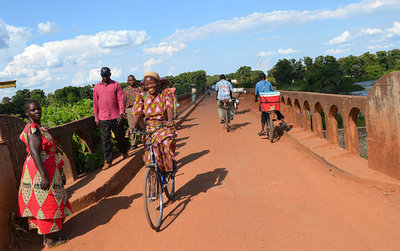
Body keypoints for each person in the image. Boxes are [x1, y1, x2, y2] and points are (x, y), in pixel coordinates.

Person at [18, 100, 72, 249]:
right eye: (32, 110)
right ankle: (50, 241)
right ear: (27, 113)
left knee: (45, 202)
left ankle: (48, 238)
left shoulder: (38, 127)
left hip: (44, 168)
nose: (36, 111)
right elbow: (35, 152)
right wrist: (44, 176)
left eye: (38, 108)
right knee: (47, 202)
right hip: (39, 170)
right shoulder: (32, 129)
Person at [128, 71, 177, 176]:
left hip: (163, 125)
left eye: (152, 83)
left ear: (157, 83)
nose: (149, 86)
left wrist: (170, 121)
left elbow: (169, 107)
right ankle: (153, 178)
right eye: (147, 84)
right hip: (149, 127)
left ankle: (169, 169)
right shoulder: (141, 96)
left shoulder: (165, 93)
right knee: (150, 154)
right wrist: (132, 127)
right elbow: (137, 113)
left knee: (166, 144)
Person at [93, 67, 128, 170]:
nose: (104, 77)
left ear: (110, 75)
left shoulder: (116, 84)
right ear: (101, 75)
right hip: (103, 117)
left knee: (119, 136)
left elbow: (120, 99)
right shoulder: (96, 87)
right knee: (106, 139)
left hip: (115, 115)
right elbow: (95, 104)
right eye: (103, 76)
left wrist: (121, 113)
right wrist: (96, 118)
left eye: (106, 75)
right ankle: (108, 161)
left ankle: (124, 151)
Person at [123, 75, 144, 150]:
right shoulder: (126, 90)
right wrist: (124, 111)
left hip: (139, 108)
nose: (132, 82)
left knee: (141, 125)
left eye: (133, 80)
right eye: (130, 80)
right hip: (129, 109)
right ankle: (133, 144)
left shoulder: (140, 89)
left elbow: (143, 99)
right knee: (132, 126)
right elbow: (124, 101)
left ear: (135, 80)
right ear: (128, 81)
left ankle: (144, 140)